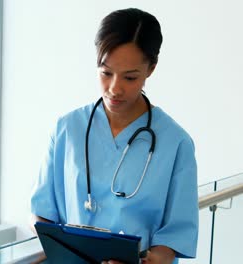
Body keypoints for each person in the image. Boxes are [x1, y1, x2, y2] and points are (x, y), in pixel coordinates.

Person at [30, 8, 198, 264]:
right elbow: (41, 216)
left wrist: (149, 260)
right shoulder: (67, 129)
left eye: (130, 77)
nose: (114, 89)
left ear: (151, 69)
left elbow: (174, 237)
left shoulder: (176, 143)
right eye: (105, 73)